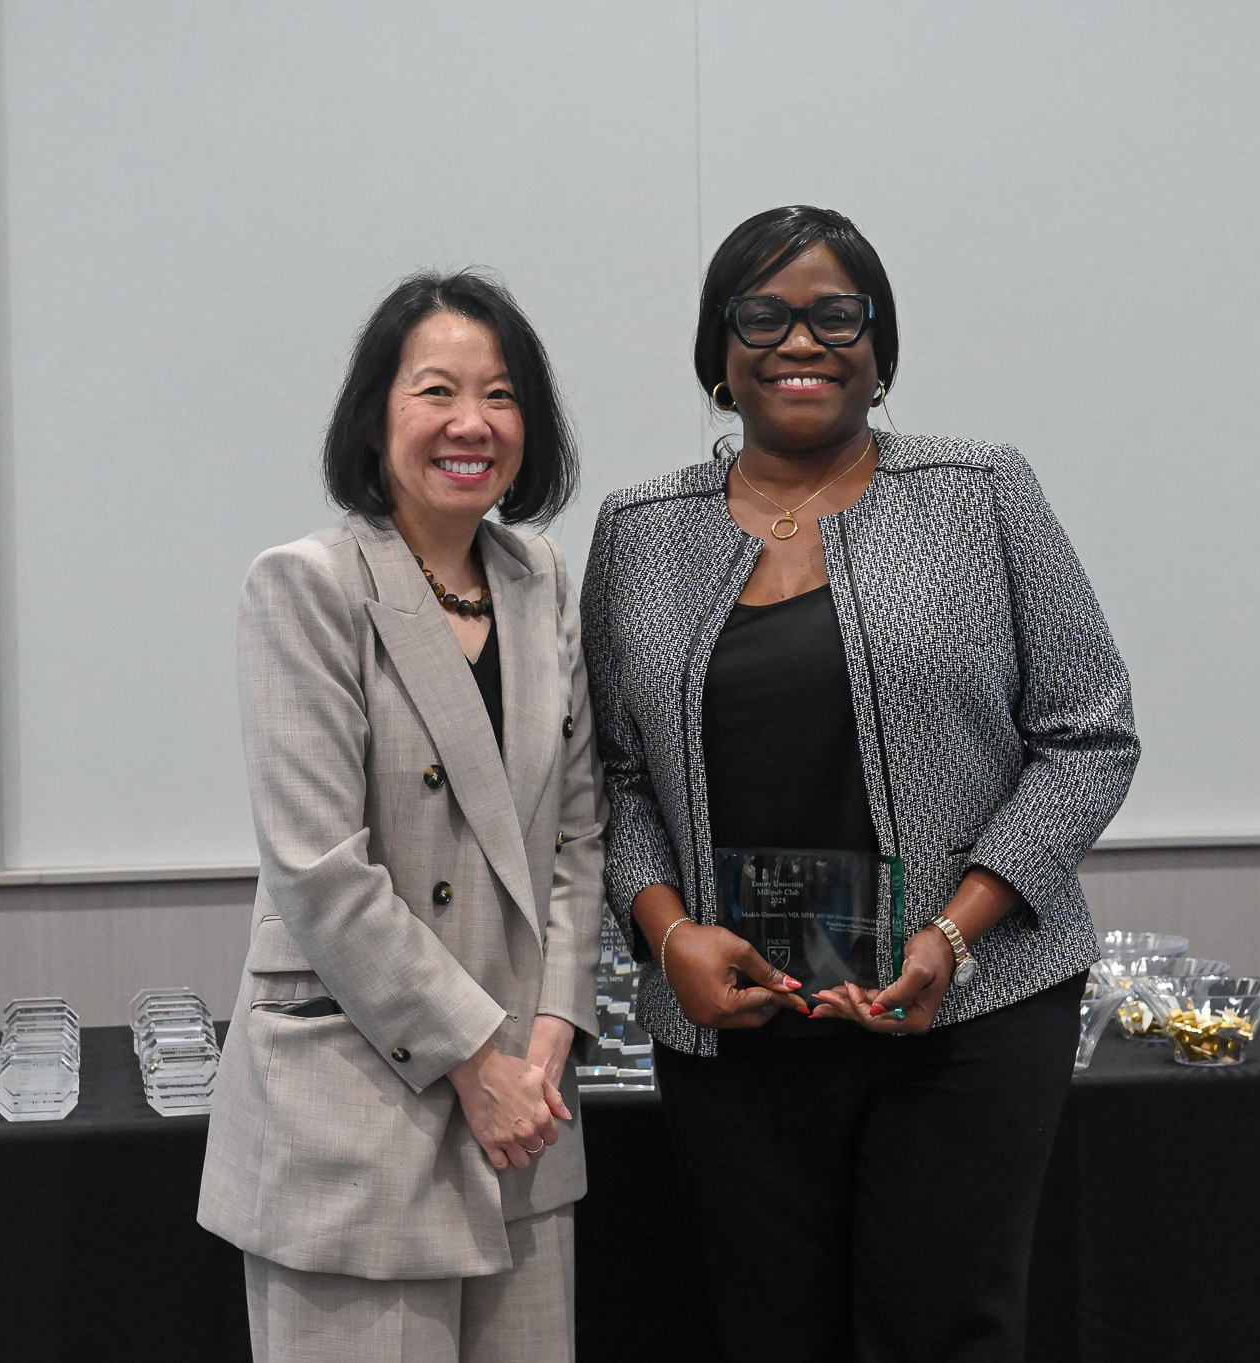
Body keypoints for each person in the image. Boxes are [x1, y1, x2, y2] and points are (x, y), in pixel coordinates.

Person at [580, 205, 1140, 1362]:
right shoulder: (637, 530)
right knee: (764, 1334)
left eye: (837, 314)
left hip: (965, 1012)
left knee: (940, 1333)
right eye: (763, 314)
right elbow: (615, 779)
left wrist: (953, 932)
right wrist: (666, 930)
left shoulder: (981, 490)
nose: (801, 340)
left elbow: (1089, 734)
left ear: (879, 351)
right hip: (733, 1024)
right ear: (716, 352)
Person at [200, 269, 606, 1363]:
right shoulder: (305, 585)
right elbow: (318, 871)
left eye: (502, 394)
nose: (471, 423)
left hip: (524, 1105)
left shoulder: (542, 580)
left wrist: (550, 1034)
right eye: (437, 391)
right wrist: (479, 1059)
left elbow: (577, 829)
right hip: (358, 1097)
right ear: (376, 413)